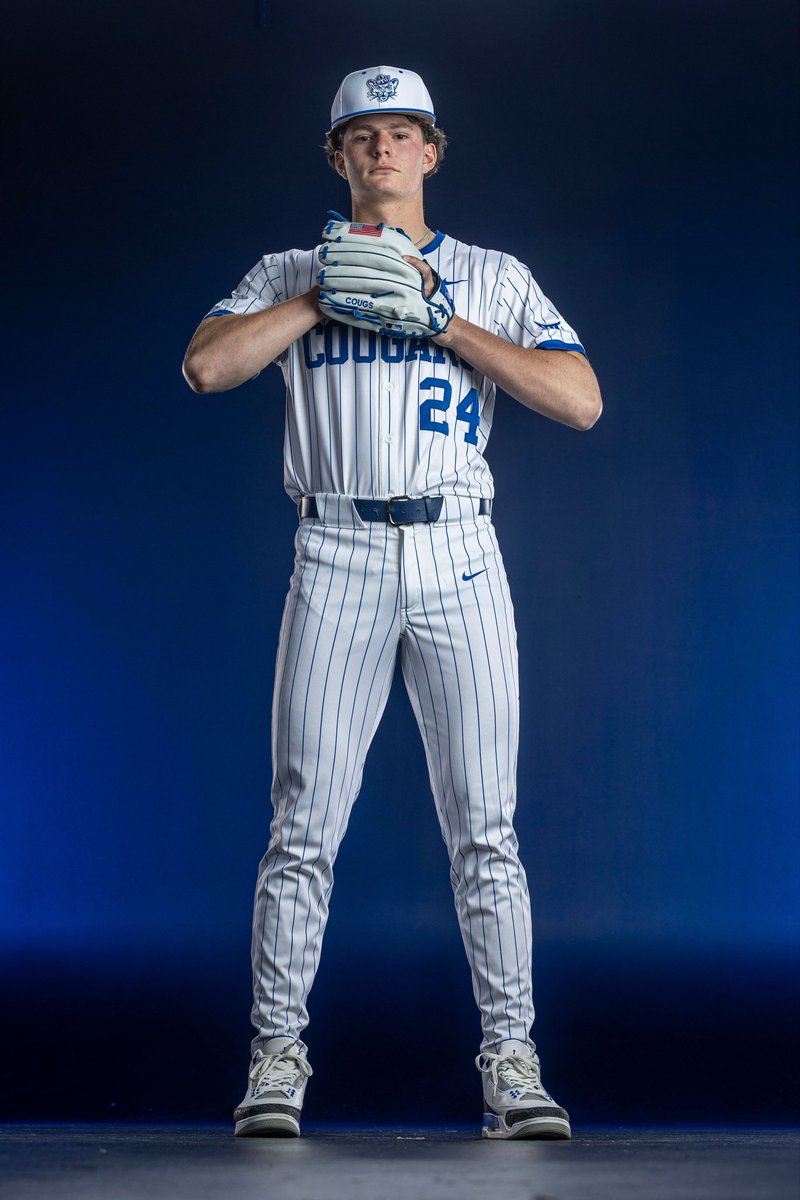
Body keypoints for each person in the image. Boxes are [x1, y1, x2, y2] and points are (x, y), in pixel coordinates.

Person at [182, 64, 601, 1141]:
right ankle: (275, 1057)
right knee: (303, 825)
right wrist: (322, 297)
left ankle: (512, 1064)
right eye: (361, 136)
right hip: (335, 547)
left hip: (459, 550)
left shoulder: (493, 275)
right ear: (336, 157)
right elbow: (206, 368)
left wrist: (441, 317)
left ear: (432, 151)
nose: (381, 151)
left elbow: (579, 400)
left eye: (400, 133)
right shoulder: (287, 267)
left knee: (485, 830)